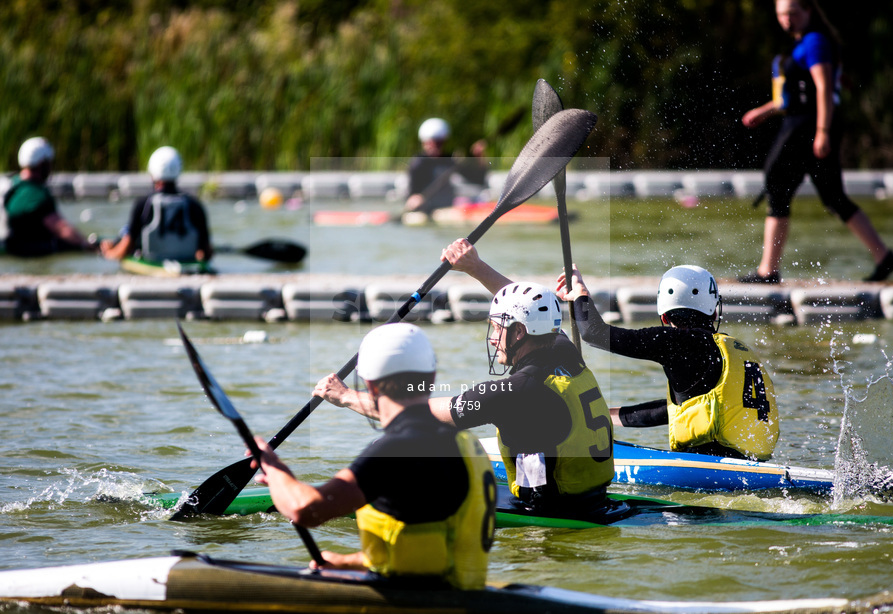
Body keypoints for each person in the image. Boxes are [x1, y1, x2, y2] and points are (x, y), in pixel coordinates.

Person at [317, 239, 618, 522]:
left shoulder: (513, 391)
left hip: (545, 513)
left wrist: (345, 396)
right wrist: (475, 266)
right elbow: (533, 307)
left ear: (519, 333)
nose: (492, 338)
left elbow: (412, 413)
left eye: (497, 328)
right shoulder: (563, 350)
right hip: (596, 500)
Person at [253, 323, 495, 589]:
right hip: (463, 594)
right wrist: (346, 563)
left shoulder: (398, 450)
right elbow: (429, 546)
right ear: (432, 376)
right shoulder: (465, 443)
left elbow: (307, 510)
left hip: (419, 604)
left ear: (370, 384)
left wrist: (275, 470)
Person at [739, 0, 893, 284]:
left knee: (777, 183)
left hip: (808, 126)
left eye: (793, 13)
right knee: (832, 194)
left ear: (808, 11)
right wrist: (763, 112)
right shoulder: (802, 43)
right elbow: (791, 97)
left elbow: (823, 88)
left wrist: (822, 131)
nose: (787, 20)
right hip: (805, 123)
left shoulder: (814, 42)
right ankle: (883, 256)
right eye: (781, 14)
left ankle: (768, 270)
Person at [557, 264, 779, 461]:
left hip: (709, 469)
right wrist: (602, 416)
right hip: (753, 464)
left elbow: (594, 334)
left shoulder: (675, 342)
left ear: (664, 316)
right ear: (713, 312)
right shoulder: (734, 348)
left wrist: (580, 295)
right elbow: (678, 410)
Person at [100, 146, 212, 263]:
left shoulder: (143, 204)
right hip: (186, 261)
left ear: (152, 172)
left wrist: (108, 253)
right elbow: (207, 251)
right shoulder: (195, 205)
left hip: (152, 261)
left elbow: (126, 247)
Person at [1, 137, 97, 257]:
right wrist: (86, 244)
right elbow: (62, 228)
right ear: (43, 164)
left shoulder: (12, 184)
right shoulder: (37, 194)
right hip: (26, 249)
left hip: (10, 243)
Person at [403, 118, 488, 217]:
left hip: (445, 209)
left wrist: (479, 158)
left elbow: (479, 180)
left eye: (438, 143)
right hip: (424, 210)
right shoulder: (417, 163)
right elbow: (411, 193)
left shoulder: (451, 161)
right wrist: (414, 198)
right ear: (424, 143)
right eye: (430, 142)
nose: (434, 146)